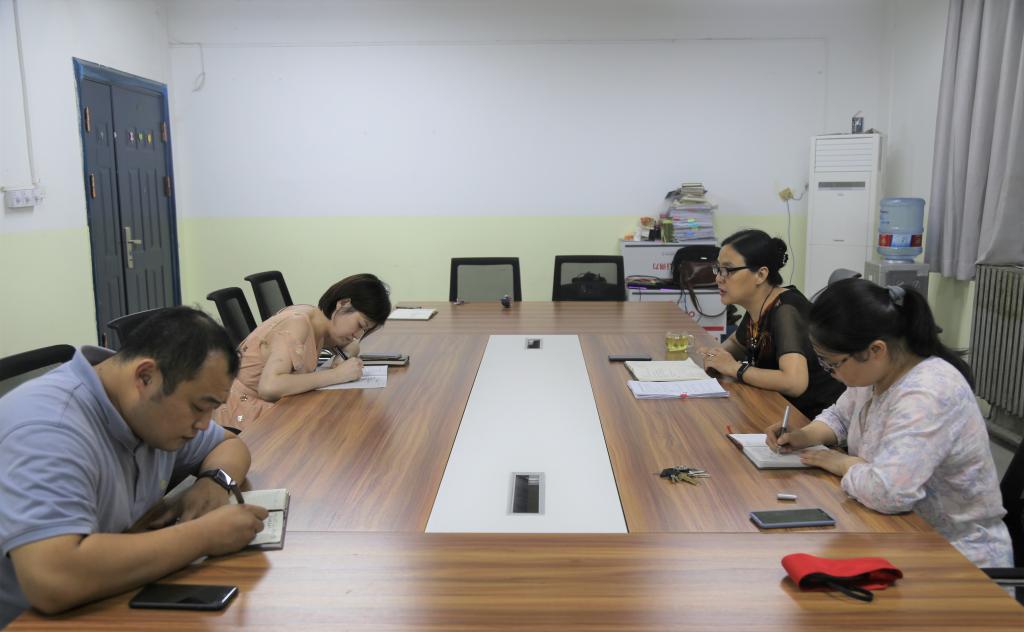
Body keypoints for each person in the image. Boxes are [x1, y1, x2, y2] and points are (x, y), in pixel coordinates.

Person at [0, 307, 268, 626]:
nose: (203, 424)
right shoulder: (50, 429)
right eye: (199, 407)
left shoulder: (143, 407)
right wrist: (206, 534)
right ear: (145, 376)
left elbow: (229, 444)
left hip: (108, 597)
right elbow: (53, 579)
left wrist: (214, 481)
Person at [767, 279, 1012, 568]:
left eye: (832, 363)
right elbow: (841, 416)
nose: (830, 372)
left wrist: (842, 463)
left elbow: (888, 492)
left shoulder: (928, 394)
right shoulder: (879, 373)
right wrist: (805, 436)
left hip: (957, 559)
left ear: (876, 350)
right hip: (897, 534)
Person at [216, 273, 391, 429]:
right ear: (343, 304)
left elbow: (353, 346)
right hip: (241, 411)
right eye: (360, 325)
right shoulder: (297, 324)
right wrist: (337, 375)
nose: (358, 335)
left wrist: (345, 353)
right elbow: (269, 387)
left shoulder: (317, 320)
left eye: (364, 330)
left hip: (270, 406)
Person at [701, 229, 845, 418]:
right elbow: (737, 343)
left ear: (760, 275)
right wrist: (713, 356)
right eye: (718, 269)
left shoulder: (786, 310)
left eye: (728, 270)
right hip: (778, 408)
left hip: (810, 420)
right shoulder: (758, 304)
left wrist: (734, 368)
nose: (718, 278)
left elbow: (794, 382)